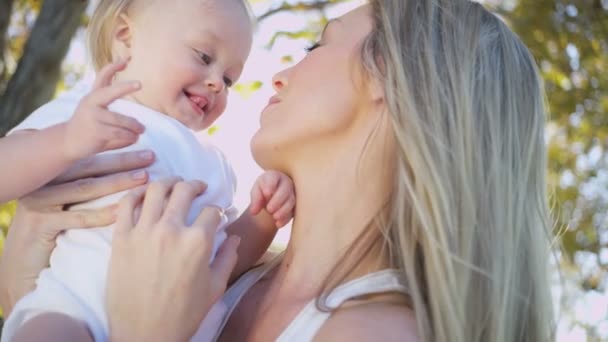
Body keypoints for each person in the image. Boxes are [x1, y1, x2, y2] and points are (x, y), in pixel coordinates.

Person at [0, 0, 556, 341]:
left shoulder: (371, 333)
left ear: (393, 76)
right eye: (202, 56)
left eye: (318, 44)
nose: (278, 75)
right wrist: (20, 286)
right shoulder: (242, 281)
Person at [0, 0, 296, 341]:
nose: (217, 82)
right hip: (72, 306)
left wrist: (264, 219)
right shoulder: (89, 113)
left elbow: (221, 259)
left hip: (176, 325)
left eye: (229, 79)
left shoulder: (213, 162)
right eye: (203, 56)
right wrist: (66, 141)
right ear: (126, 37)